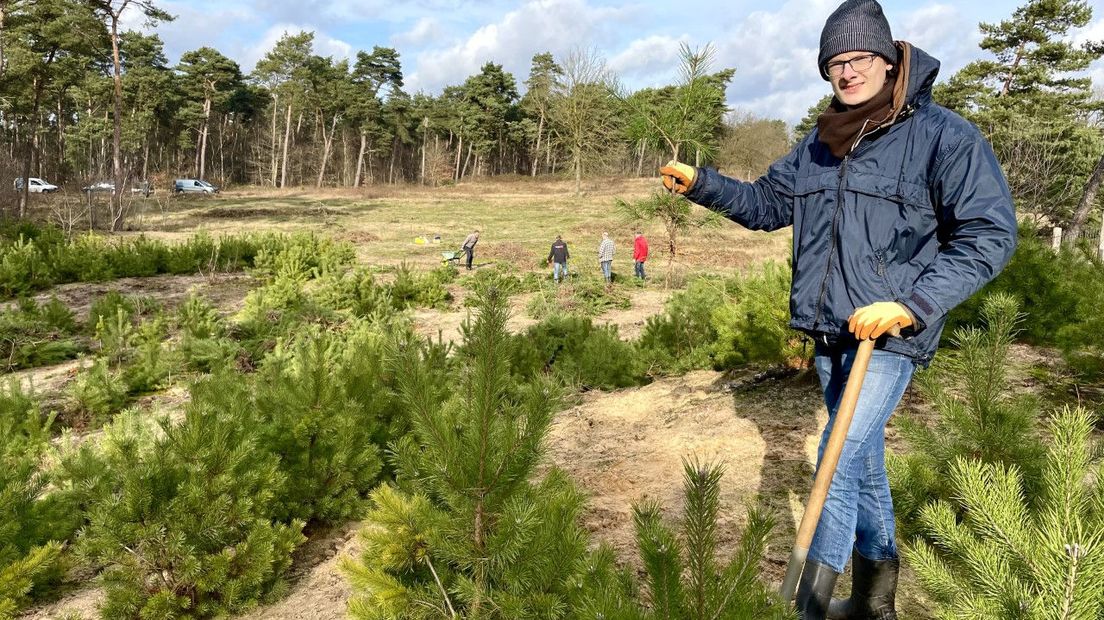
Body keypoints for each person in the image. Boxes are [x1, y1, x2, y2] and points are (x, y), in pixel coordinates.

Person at [659, 1, 1017, 618]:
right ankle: (877, 601)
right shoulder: (820, 143)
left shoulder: (945, 138)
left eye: (859, 59)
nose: (847, 73)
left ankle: (809, 608)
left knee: (835, 462)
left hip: (890, 335)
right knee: (863, 460)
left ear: (889, 60)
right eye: (835, 64)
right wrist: (704, 185)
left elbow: (989, 234)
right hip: (830, 332)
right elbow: (768, 205)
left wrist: (910, 304)